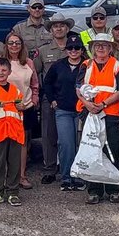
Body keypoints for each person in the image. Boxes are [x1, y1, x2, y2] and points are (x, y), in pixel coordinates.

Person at [78, 33, 119, 204]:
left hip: (111, 114)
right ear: (92, 48)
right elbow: (79, 87)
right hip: (90, 114)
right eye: (97, 45)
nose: (100, 48)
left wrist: (103, 104)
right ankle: (94, 190)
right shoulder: (86, 65)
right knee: (92, 150)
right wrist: (87, 104)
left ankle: (114, 189)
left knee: (112, 152)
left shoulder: (118, 66)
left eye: (104, 45)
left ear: (110, 48)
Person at [0, 57, 32, 207]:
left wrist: (22, 106)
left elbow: (20, 107)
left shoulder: (15, 90)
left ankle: (13, 193)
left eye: (4, 70)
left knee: (15, 163)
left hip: (15, 131)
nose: (1, 73)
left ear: (9, 72)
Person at [43, 33, 87, 191]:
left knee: (82, 143)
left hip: (83, 110)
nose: (73, 51)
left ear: (82, 50)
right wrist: (52, 99)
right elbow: (47, 83)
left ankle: (80, 176)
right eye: (70, 48)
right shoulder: (58, 65)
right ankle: (67, 177)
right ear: (66, 49)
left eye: (77, 48)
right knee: (66, 143)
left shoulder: (88, 65)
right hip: (63, 110)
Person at [36, 13, 74, 181]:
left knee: (72, 136)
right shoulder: (43, 51)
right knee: (49, 134)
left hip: (72, 99)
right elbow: (34, 72)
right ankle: (50, 168)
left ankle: (72, 168)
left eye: (62, 25)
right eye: (55, 26)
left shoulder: (75, 47)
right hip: (50, 98)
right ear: (50, 30)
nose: (58, 28)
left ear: (67, 28)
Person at [5, 32, 40, 190]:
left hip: (25, 107)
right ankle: (6, 174)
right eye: (11, 43)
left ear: (22, 45)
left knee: (23, 143)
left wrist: (33, 101)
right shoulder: (1, 62)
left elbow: (34, 85)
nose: (14, 46)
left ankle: (22, 175)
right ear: (6, 45)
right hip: (6, 108)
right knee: (5, 142)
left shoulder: (28, 63)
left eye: (17, 43)